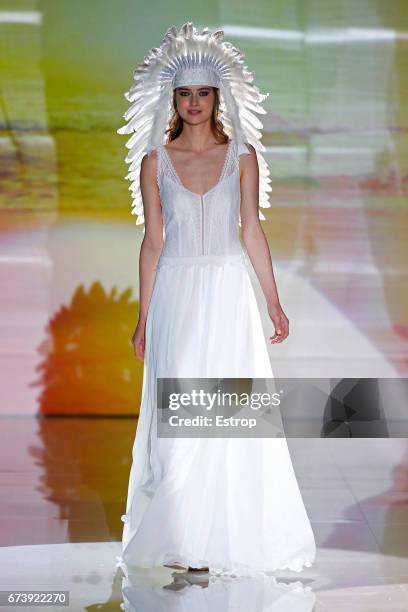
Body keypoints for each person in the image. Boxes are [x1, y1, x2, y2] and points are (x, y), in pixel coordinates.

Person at [116, 22, 316, 578]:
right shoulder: (154, 162)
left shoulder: (241, 157)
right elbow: (153, 242)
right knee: (178, 412)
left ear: (218, 96)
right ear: (173, 99)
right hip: (177, 293)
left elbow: (251, 229)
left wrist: (273, 303)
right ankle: (181, 538)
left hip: (228, 294)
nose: (196, 102)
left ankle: (224, 533)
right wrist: (143, 318)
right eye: (186, 93)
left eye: (204, 92)